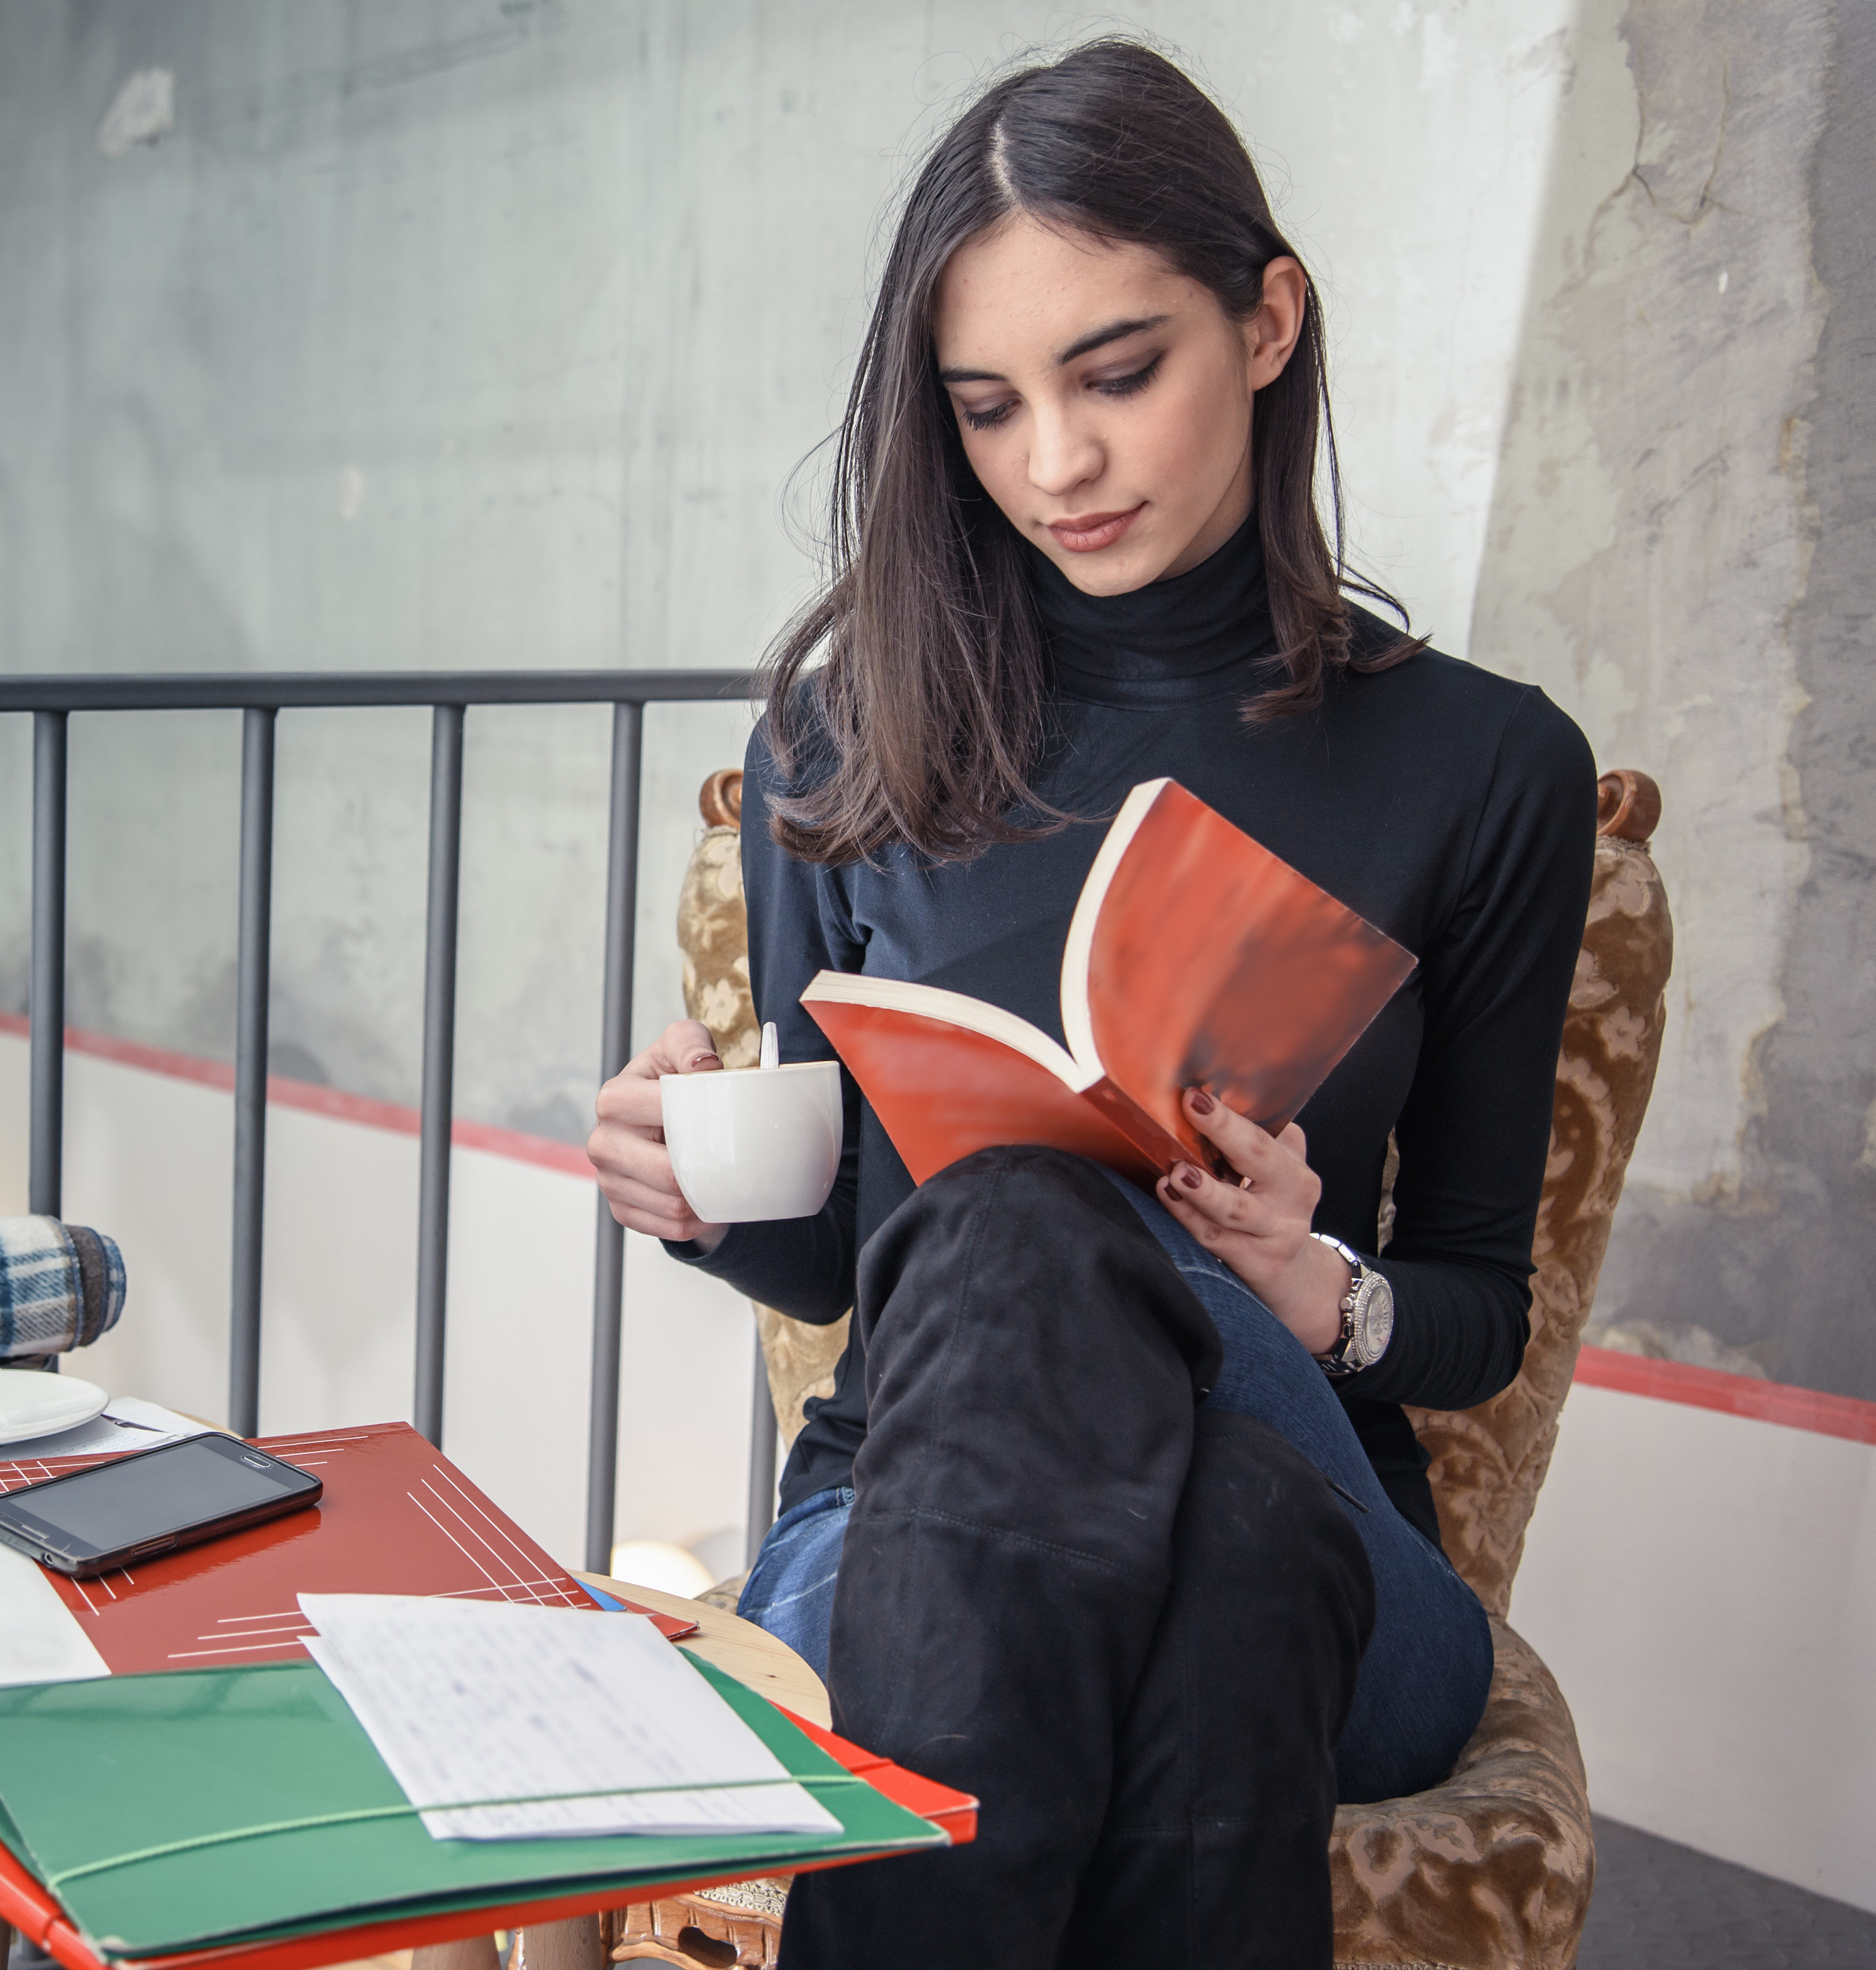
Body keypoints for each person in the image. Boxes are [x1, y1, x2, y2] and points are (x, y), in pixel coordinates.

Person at [585, 40, 1595, 1969]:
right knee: (1154, 1453)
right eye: (987, 407)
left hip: (1354, 1558)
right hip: (900, 1535)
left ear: (1269, 318)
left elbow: (1470, 1311)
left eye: (1117, 372)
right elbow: (829, 1275)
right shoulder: (849, 729)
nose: (1056, 460)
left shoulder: (1485, 767)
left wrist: (1320, 1285)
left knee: (1055, 1242)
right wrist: (698, 1191)